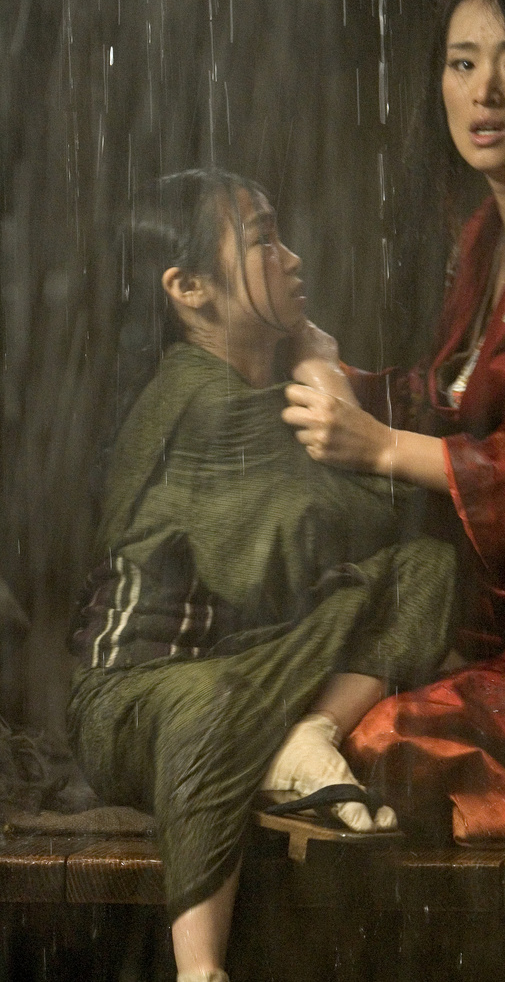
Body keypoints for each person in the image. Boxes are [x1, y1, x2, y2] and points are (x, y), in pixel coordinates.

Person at [67, 169, 458, 982]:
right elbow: (325, 530)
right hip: (134, 698)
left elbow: (390, 530)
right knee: (213, 702)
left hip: (246, 666)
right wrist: (326, 375)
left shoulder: (255, 393)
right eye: (262, 241)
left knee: (425, 568)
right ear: (190, 289)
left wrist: (328, 394)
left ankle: (307, 733)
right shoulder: (201, 400)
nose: (291, 257)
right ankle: (200, 970)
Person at [281, 0, 505, 847]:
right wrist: (334, 375)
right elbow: (452, 397)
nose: (486, 94)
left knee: (385, 742)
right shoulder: (486, 234)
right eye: (463, 63)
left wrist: (381, 446)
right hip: (493, 603)